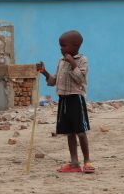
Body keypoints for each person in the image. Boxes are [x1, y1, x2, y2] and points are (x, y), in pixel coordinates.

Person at [38, 30, 94, 173]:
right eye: (60, 46)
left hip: (76, 99)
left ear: (75, 46)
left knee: (80, 131)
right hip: (63, 100)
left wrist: (73, 63)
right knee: (69, 132)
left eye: (64, 46)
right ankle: (74, 163)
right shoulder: (61, 61)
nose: (61, 49)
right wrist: (44, 72)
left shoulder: (82, 60)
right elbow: (53, 81)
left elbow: (81, 79)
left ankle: (87, 161)